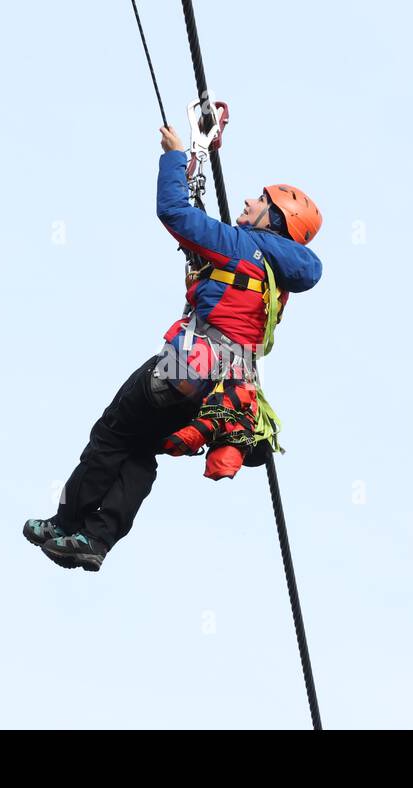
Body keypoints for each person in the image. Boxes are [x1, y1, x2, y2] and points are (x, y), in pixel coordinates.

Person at [23, 126, 323, 571]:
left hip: (185, 364)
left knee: (111, 433)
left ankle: (66, 521)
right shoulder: (278, 279)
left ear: (273, 219)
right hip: (219, 389)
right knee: (139, 448)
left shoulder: (240, 245)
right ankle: (96, 540)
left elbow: (174, 212)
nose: (247, 202)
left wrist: (175, 158)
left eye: (259, 200)